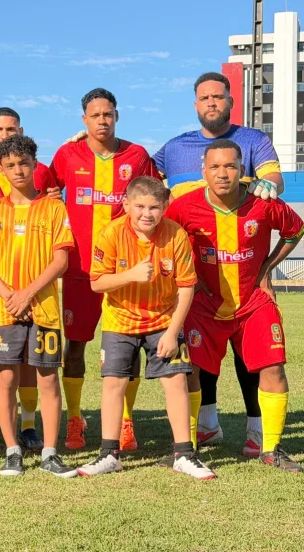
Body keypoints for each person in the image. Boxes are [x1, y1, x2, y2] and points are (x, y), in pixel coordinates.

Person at [155, 72, 286, 456]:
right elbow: (140, 178)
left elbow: (274, 179)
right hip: (196, 278)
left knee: (252, 353)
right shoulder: (173, 148)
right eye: (204, 97)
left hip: (243, 272)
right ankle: (207, 425)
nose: (211, 102)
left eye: (218, 96)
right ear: (195, 104)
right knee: (199, 356)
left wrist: (268, 186)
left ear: (231, 101)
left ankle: (257, 430)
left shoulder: (253, 140)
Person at [165, 139, 303, 472]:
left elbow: (295, 230)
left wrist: (267, 268)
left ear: (242, 169)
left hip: (253, 302)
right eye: (215, 166)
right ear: (204, 171)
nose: (223, 173)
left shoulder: (264, 203)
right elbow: (164, 239)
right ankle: (187, 449)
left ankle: (270, 448)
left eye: (230, 166)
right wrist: (186, 275)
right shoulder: (184, 207)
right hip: (204, 305)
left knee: (273, 367)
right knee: (189, 370)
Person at [78, 176, 215, 480]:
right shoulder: (111, 233)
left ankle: (184, 454)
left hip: (164, 320)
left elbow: (186, 287)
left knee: (176, 380)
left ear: (164, 206)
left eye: (154, 207)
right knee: (113, 383)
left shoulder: (176, 235)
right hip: (120, 320)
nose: (147, 214)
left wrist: (172, 332)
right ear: (126, 204)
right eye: (139, 206)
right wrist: (131, 275)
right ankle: (109, 455)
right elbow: (97, 282)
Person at [49, 88, 160, 452]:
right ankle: (75, 418)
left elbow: (155, 198)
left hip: (125, 270)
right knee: (75, 347)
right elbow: (46, 194)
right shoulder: (67, 154)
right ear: (84, 120)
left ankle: (126, 421)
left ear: (117, 116)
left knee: (128, 347)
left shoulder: (136, 155)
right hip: (80, 270)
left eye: (108, 114)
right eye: (95, 115)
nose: (102, 120)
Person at [0, 135, 76, 478]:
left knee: (48, 379)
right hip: (4, 311)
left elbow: (61, 260)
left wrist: (28, 294)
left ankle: (49, 452)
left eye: (24, 163)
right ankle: (12, 451)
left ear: (35, 164)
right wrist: (10, 297)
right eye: (10, 165)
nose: (18, 170)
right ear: (2, 169)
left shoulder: (54, 208)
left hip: (44, 309)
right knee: (6, 379)